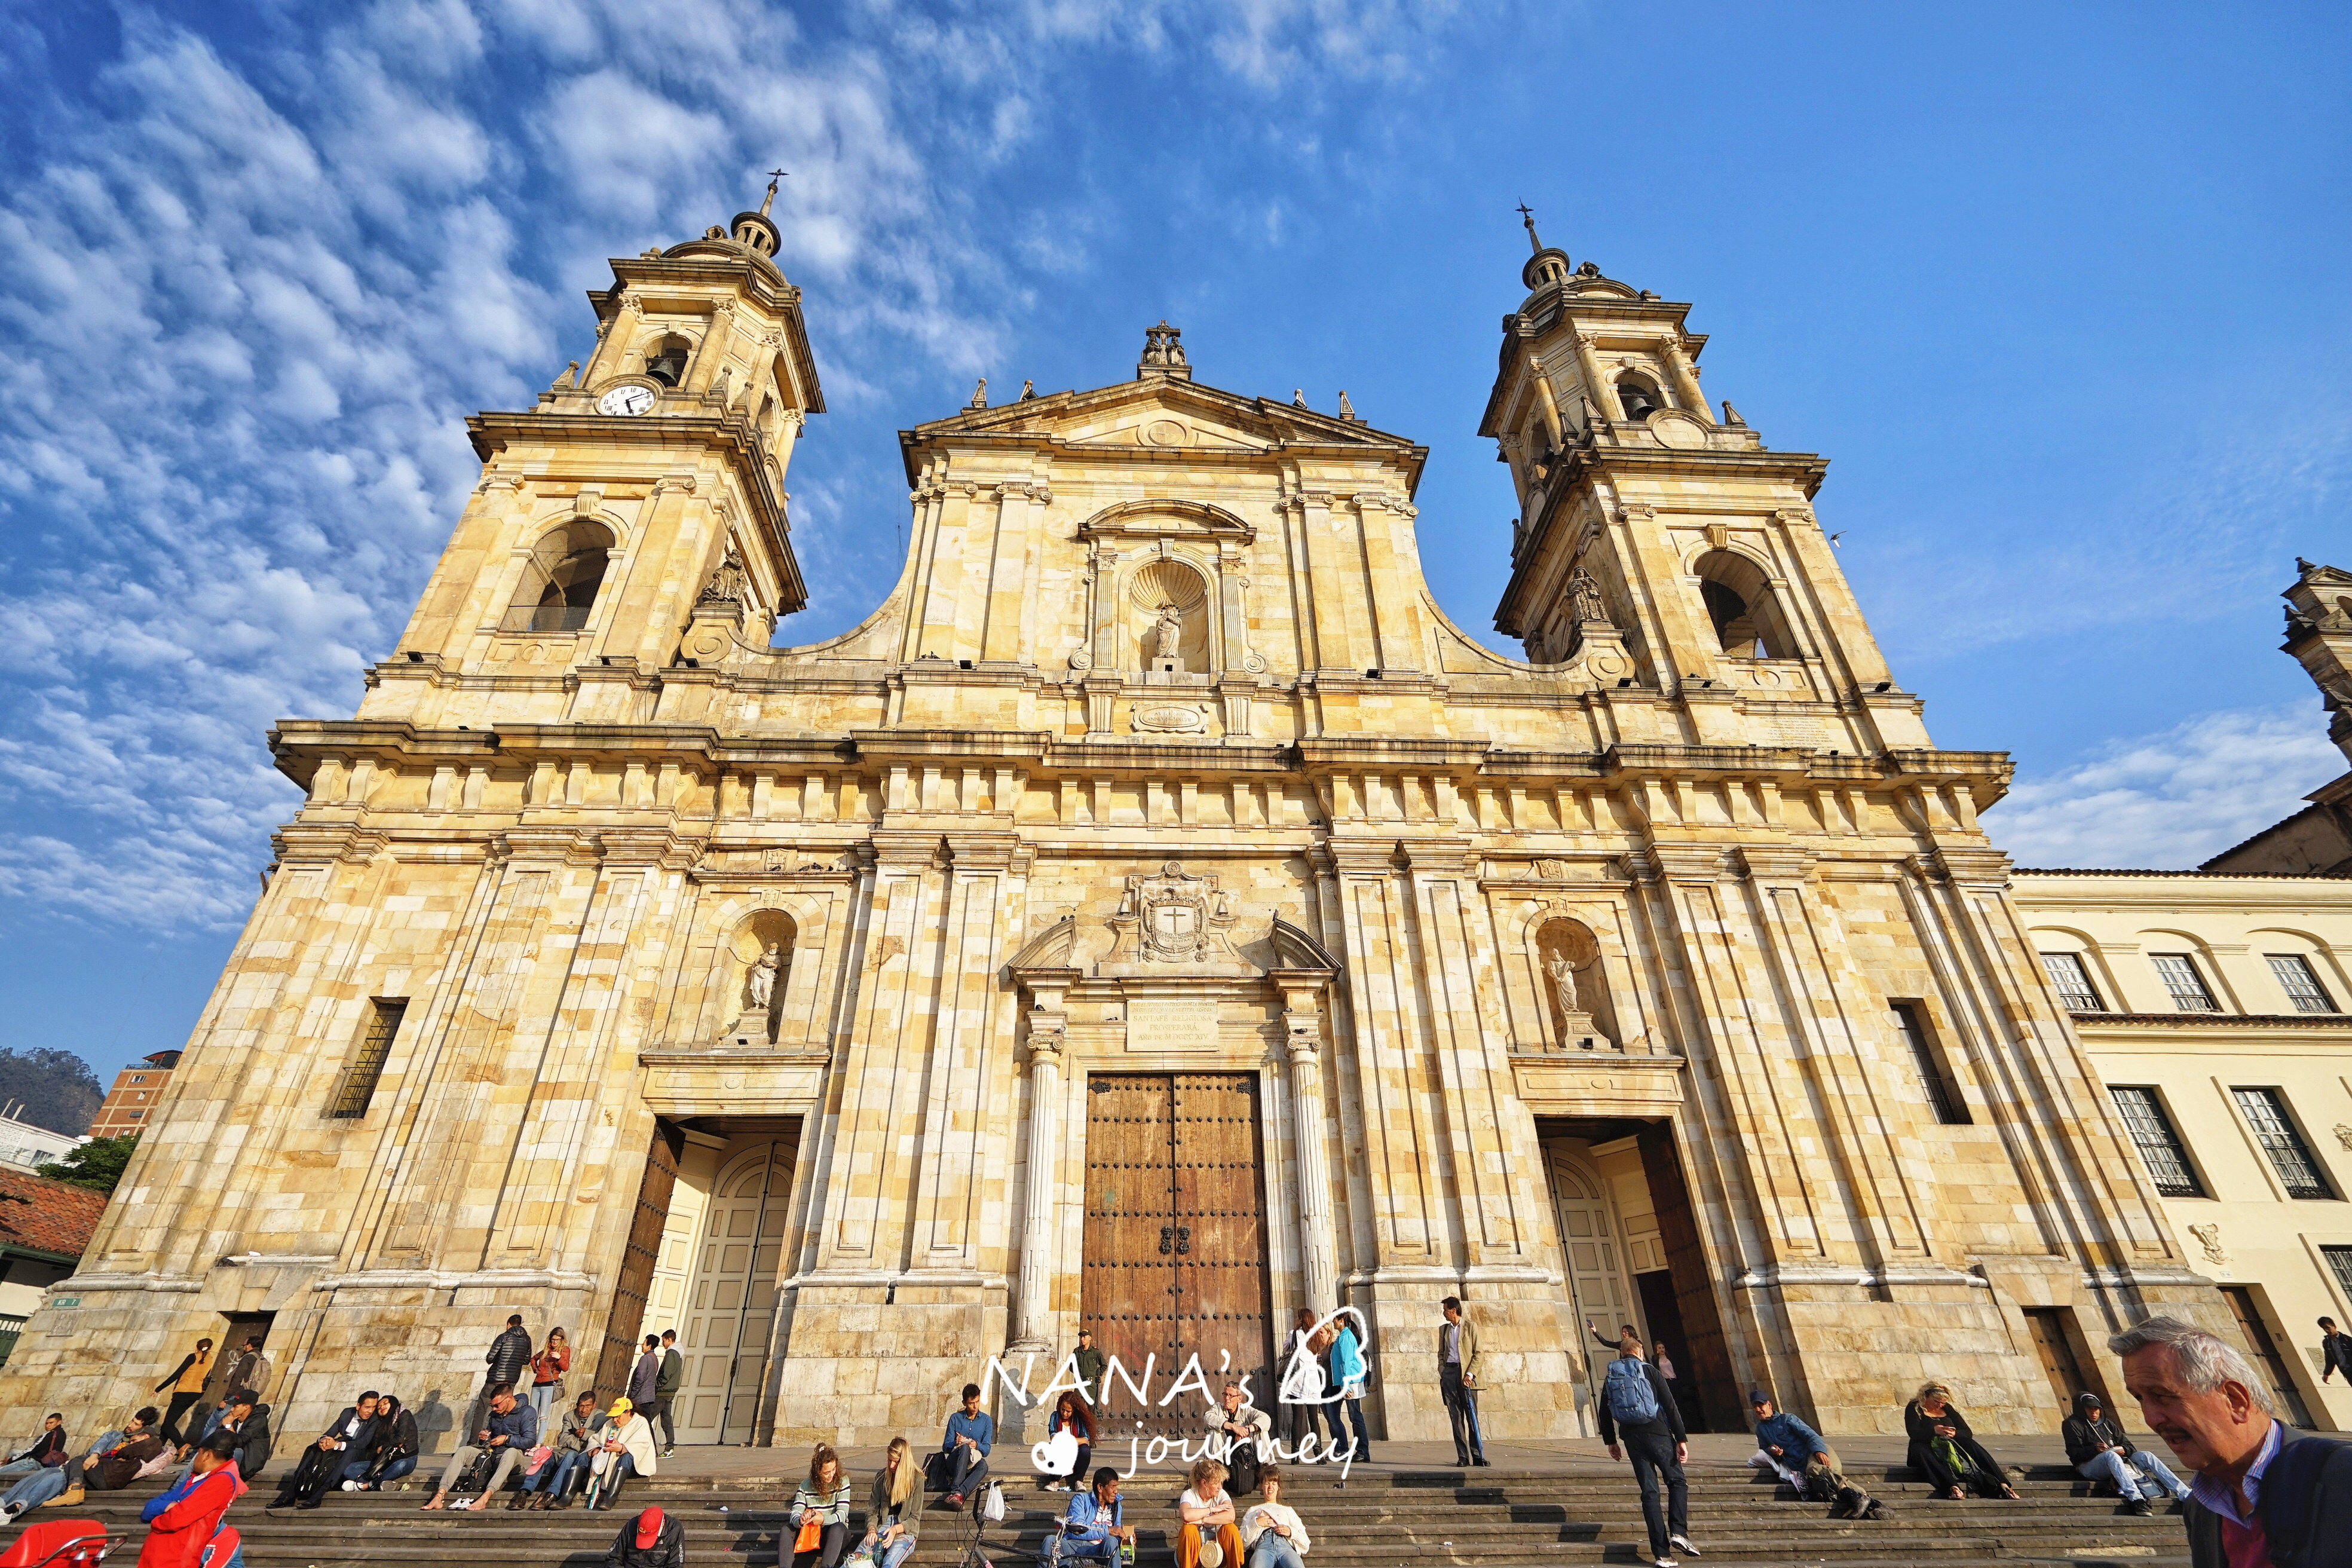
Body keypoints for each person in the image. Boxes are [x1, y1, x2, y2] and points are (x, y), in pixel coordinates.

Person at [2113, 1314, 2352, 1567]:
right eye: (2140, 1399)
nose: (2151, 1419)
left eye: (2162, 1395)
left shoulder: (2342, 1478)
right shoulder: (2201, 1509)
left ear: (2235, 1401)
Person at [1597, 1328, 1698, 1568]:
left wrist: (1611, 1441)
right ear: (1640, 1352)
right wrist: (1681, 1439)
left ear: (1622, 1354)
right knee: (1677, 1481)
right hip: (1658, 1433)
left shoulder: (1612, 1375)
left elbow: (1604, 1411)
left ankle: (1662, 1555)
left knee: (1650, 1492)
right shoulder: (1650, 1371)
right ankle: (1678, 1532)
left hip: (1632, 1438)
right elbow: (1670, 1406)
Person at [2, 1407, 161, 1515]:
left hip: (98, 1473)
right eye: (132, 1420)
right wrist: (95, 1455)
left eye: (136, 1424)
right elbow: (97, 1447)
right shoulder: (114, 1435)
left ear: (144, 1428)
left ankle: (16, 1508)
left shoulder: (141, 1444)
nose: (130, 1425)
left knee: (57, 1477)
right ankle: (4, 1501)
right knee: (43, 1473)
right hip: (86, 1467)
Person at [1751, 1390, 1881, 1521]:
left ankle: (1860, 1500)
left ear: (1769, 1405)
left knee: (1815, 1470)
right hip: (1801, 1466)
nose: (1758, 1409)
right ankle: (1873, 1504)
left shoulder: (1787, 1419)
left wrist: (1819, 1451)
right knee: (1823, 1484)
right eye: (1755, 1406)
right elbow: (1765, 1450)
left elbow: (1811, 1435)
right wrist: (1774, 1452)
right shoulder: (1761, 1429)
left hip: (1816, 1453)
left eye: (1760, 1405)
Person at [2062, 1388, 2189, 1514]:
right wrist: (2094, 1450)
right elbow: (2074, 1454)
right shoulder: (2071, 1424)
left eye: (2097, 1409)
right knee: (2111, 1456)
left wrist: (2124, 1450)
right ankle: (2137, 1499)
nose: (2094, 1412)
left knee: (2146, 1456)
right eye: (2089, 1409)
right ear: (2081, 1409)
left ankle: (2185, 1494)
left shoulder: (2107, 1424)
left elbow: (2130, 1447)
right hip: (2087, 1467)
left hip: (2116, 1461)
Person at [421, 1382, 538, 1510]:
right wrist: (484, 1437)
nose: (494, 1409)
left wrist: (507, 1439)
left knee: (511, 1452)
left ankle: (485, 1497)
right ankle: (440, 1495)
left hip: (515, 1459)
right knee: (463, 1451)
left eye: (497, 1405)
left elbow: (530, 1441)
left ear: (509, 1399)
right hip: (492, 1456)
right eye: (492, 1406)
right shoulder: (495, 1414)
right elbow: (489, 1438)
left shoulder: (527, 1412)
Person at [137, 1429, 245, 1568]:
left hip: (176, 1559)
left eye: (198, 1453)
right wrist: (167, 1507)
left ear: (207, 1455)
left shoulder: (223, 1481)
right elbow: (148, 1510)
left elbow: (176, 1519)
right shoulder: (196, 1478)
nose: (195, 1459)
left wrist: (156, 1521)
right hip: (157, 1556)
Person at [1904, 1382, 2019, 1501]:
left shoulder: (1947, 1408)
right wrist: (1934, 1431)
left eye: (1943, 1403)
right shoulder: (1914, 1407)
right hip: (1925, 1446)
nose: (1940, 1405)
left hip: (1950, 1445)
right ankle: (1952, 1487)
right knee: (1922, 1450)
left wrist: (1955, 1434)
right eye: (1936, 1402)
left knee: (1970, 1443)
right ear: (1926, 1397)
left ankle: (2003, 1484)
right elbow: (1914, 1433)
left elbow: (1967, 1432)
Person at [268, 1391, 379, 1510]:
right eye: (367, 1407)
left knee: (350, 1453)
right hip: (341, 1447)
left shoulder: (375, 1419)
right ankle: (290, 1494)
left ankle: (319, 1495)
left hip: (360, 1452)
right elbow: (330, 1432)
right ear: (358, 1406)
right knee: (313, 1448)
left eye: (374, 1407)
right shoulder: (348, 1413)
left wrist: (337, 1445)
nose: (370, 1411)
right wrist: (323, 1441)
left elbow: (363, 1443)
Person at [522, 1391, 605, 1508]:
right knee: (544, 1455)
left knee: (571, 1454)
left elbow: (600, 1438)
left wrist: (586, 1434)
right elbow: (562, 1440)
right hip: (563, 1456)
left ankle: (552, 1494)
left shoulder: (601, 1417)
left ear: (594, 1405)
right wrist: (583, 1440)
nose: (583, 1410)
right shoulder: (569, 1416)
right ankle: (524, 1492)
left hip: (581, 1460)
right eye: (581, 1406)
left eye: (588, 1406)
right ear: (577, 1405)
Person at [581, 1395, 658, 1511]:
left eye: (618, 1416)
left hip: (632, 1465)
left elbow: (642, 1444)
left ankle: (610, 1498)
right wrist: (596, 1448)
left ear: (628, 1412)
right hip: (609, 1462)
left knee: (627, 1457)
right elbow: (595, 1438)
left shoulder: (641, 1422)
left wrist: (622, 1448)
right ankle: (567, 1496)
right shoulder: (609, 1424)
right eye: (613, 1417)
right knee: (583, 1456)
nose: (615, 1420)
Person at [860, 1436, 924, 1568]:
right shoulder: (881, 1477)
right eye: (890, 1460)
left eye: (896, 1462)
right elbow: (872, 1512)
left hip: (904, 1530)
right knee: (858, 1557)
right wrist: (871, 1529)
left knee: (889, 1562)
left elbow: (914, 1518)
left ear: (904, 1461)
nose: (891, 1466)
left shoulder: (917, 1479)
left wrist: (895, 1529)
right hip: (882, 1526)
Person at [1439, 1297, 1488, 1468]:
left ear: (1453, 1310)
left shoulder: (1470, 1327)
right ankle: (1463, 1456)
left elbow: (1479, 1353)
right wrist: (1443, 1370)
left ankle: (1477, 1455)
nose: (1444, 1313)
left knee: (1472, 1415)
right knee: (1456, 1417)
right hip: (1450, 1373)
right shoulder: (1444, 1330)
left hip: (1467, 1375)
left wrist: (1470, 1374)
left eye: (1445, 1310)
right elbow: (1441, 1353)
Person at [788, 1444, 855, 1568]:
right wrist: (801, 1520)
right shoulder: (805, 1485)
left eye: (834, 1469)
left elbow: (842, 1515)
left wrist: (823, 1520)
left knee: (838, 1527)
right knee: (787, 1529)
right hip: (812, 1536)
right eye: (826, 1472)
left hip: (837, 1537)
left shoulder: (843, 1481)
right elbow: (795, 1513)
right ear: (818, 1471)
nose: (831, 1475)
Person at [1051, 1466, 1131, 1568]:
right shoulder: (1081, 1500)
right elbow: (1076, 1531)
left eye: (1116, 1487)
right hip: (1076, 1546)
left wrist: (1126, 1539)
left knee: (1112, 1541)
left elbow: (1116, 1536)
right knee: (1050, 1540)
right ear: (1100, 1487)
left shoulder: (1116, 1506)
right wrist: (1107, 1530)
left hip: (1099, 1549)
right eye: (1113, 1487)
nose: (1116, 1491)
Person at [1204, 1381, 1271, 1497]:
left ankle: (1268, 1471)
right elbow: (1208, 1418)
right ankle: (1216, 1470)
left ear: (1239, 1399)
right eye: (1225, 1394)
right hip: (1224, 1454)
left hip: (1243, 1454)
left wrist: (1247, 1430)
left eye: (1231, 1395)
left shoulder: (1246, 1410)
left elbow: (1266, 1419)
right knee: (1214, 1431)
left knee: (1261, 1431)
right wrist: (1234, 1427)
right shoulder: (1218, 1408)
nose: (1227, 1398)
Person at [1175, 1456, 1243, 1568]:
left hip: (1217, 1548)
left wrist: (1203, 1520)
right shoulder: (1189, 1494)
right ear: (1204, 1483)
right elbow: (1186, 1515)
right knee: (1188, 1530)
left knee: (1230, 1529)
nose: (1220, 1487)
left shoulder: (1221, 1494)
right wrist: (1211, 1510)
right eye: (1216, 1483)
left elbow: (1231, 1516)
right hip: (1195, 1549)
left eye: (1221, 1483)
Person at [1277, 1310, 1330, 1451]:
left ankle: (1295, 1455)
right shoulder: (1316, 1336)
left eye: (1297, 1318)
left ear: (1301, 1320)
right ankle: (1318, 1452)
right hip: (1313, 1379)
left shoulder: (1294, 1334)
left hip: (1298, 1379)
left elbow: (1285, 1350)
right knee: (1314, 1418)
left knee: (1298, 1418)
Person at [1241, 1465, 1311, 1568]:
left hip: (1285, 1546)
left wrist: (1291, 1532)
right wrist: (1256, 1524)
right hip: (1263, 1546)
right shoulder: (1253, 1510)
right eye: (1267, 1483)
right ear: (1261, 1486)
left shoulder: (1287, 1510)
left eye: (1274, 1484)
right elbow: (1242, 1543)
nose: (1270, 1487)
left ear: (1278, 1487)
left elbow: (1305, 1544)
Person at [343, 1394, 418, 1491]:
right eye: (379, 1407)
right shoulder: (379, 1424)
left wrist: (383, 1447)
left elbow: (400, 1439)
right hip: (383, 1461)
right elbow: (371, 1451)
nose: (382, 1407)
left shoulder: (404, 1414)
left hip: (405, 1458)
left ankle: (367, 1486)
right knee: (350, 1469)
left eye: (385, 1403)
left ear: (393, 1403)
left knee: (400, 1466)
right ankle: (380, 1483)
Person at [477, 1313, 533, 1434]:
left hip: (496, 1378)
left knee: (482, 1408)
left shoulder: (504, 1337)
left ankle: (474, 1440)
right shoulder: (527, 1340)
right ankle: (496, 1437)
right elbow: (526, 1360)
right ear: (520, 1325)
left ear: (508, 1324)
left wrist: (501, 1358)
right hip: (512, 1380)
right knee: (503, 1409)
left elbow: (490, 1358)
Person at [941, 1382, 993, 1509]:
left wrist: (977, 1445)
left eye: (977, 1402)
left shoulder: (986, 1421)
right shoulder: (955, 1418)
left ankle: (959, 1494)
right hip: (955, 1463)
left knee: (984, 1465)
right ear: (964, 1403)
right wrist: (956, 1442)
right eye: (971, 1403)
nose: (975, 1406)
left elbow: (987, 1449)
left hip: (972, 1462)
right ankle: (955, 1490)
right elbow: (946, 1447)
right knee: (964, 1448)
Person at [154, 1337, 213, 1448]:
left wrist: (159, 1388)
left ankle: (182, 1445)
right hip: (195, 1394)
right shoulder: (210, 1359)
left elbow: (177, 1374)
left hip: (183, 1393)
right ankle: (157, 1449)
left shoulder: (193, 1357)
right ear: (210, 1349)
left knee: (167, 1425)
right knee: (168, 1424)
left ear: (197, 1347)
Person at [1327, 1316, 1370, 1465]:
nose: (1333, 1322)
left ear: (1341, 1321)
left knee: (1356, 1417)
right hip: (1349, 1379)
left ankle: (1363, 1451)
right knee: (1355, 1417)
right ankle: (1361, 1450)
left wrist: (1345, 1384)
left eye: (1334, 1319)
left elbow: (1347, 1361)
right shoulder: (1343, 1336)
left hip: (1351, 1380)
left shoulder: (1346, 1337)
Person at [200, 1336, 271, 1419]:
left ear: (249, 1345)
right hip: (249, 1396)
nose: (243, 1348)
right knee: (234, 1419)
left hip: (238, 1394)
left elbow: (238, 1377)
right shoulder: (260, 1358)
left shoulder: (248, 1357)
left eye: (244, 1345)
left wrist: (227, 1397)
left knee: (215, 1418)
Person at [604, 1505, 686, 1568]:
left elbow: (676, 1564)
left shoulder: (674, 1529)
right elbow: (613, 1558)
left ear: (662, 1526)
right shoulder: (631, 1525)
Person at [1046, 1391, 1095, 1491]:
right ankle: (1055, 1481)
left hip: (1075, 1457)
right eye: (1063, 1409)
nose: (1064, 1413)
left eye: (1068, 1411)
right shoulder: (1055, 1416)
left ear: (1074, 1410)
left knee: (1085, 1449)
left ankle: (1079, 1481)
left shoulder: (1079, 1419)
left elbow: (1085, 1440)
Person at [0, 1413, 68, 1481]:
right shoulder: (63, 1434)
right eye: (46, 1423)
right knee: (13, 1452)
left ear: (59, 1422)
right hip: (48, 1462)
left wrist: (11, 1460)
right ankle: (6, 1464)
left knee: (2, 1470)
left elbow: (32, 1450)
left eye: (51, 1423)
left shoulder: (50, 1434)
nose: (48, 1425)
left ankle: (6, 1465)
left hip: (36, 1462)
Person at [529, 1327, 572, 1423]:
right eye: (553, 1340)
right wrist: (536, 1369)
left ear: (562, 1340)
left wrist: (559, 1358)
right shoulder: (546, 1350)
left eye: (557, 1340)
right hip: (537, 1383)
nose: (555, 1342)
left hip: (549, 1384)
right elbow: (533, 1359)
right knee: (532, 1414)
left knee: (543, 1416)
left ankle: (540, 1434)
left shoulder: (565, 1350)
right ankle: (530, 1433)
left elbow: (565, 1368)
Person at [654, 1329, 683, 1457]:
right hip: (670, 1392)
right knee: (666, 1420)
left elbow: (666, 1373)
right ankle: (669, 1447)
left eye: (664, 1340)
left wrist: (656, 1385)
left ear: (669, 1340)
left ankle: (650, 1448)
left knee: (646, 1418)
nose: (662, 1343)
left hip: (663, 1392)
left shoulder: (672, 1353)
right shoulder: (678, 1353)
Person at [627, 1334, 663, 1414]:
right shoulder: (654, 1358)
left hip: (641, 1397)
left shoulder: (645, 1358)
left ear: (649, 1346)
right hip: (648, 1397)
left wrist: (632, 1395)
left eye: (644, 1344)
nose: (642, 1346)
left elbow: (640, 1378)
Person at [1073, 1329, 1107, 1408]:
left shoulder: (1096, 1352)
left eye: (1084, 1337)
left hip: (1091, 1386)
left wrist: (1096, 1374)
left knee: (1092, 1410)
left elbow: (1104, 1365)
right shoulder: (1077, 1352)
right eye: (1081, 1337)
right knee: (1078, 1409)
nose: (1082, 1339)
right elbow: (1072, 1367)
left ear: (1090, 1338)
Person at [2322, 1317, 2351, 1385]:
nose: (2327, 1330)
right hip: (2347, 1373)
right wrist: (2326, 1374)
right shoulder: (2327, 1343)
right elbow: (2329, 1360)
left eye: (2328, 1327)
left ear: (2334, 1326)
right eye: (2324, 1328)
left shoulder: (2347, 1340)